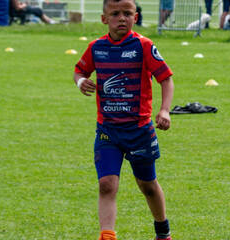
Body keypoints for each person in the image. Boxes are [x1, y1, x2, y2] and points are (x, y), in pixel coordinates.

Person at [73, 0, 174, 239]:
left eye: (127, 14)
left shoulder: (143, 46)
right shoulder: (96, 48)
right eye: (115, 13)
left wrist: (165, 110)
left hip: (139, 131)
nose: (121, 18)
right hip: (108, 131)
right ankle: (107, 235)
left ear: (135, 17)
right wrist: (80, 81)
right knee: (107, 183)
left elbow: (166, 78)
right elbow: (79, 70)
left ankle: (163, 231)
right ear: (104, 19)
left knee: (148, 185)